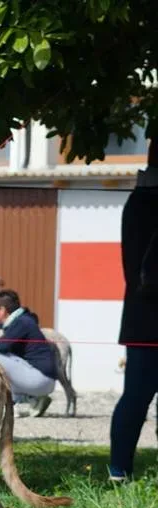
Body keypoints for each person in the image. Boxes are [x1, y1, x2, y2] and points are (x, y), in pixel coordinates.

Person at [109, 138, 158, 482]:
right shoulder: (147, 202)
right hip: (146, 319)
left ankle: (119, 470)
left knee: (135, 398)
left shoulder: (137, 201)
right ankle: (118, 469)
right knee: (136, 399)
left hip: (140, 320)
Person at [0, 289, 57, 416]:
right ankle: (33, 399)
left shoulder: (21, 323)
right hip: (43, 379)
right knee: (5, 359)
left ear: (2, 310)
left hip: (39, 379)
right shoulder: (24, 320)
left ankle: (13, 404)